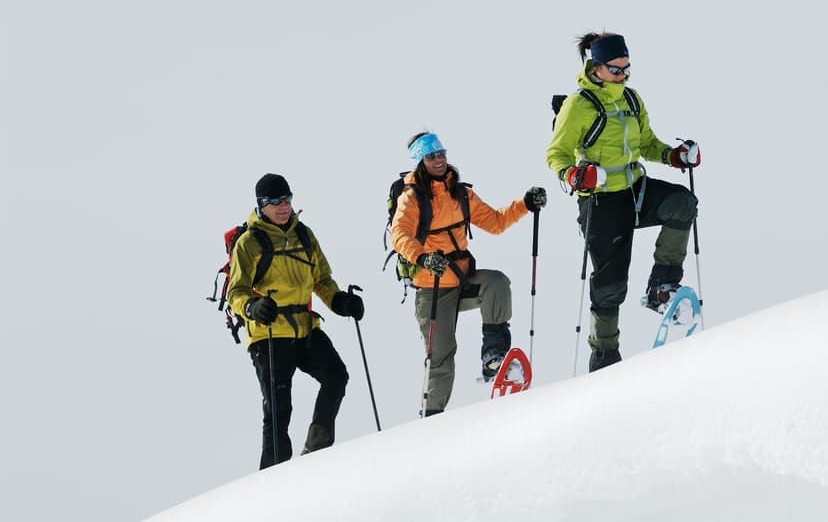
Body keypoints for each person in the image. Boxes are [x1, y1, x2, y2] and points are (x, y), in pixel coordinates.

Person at [545, 32, 701, 373]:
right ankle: (604, 355)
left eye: (627, 69)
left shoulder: (632, 99)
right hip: (601, 201)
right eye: (617, 70)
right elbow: (555, 154)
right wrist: (574, 176)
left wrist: (674, 156)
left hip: (635, 189)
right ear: (596, 67)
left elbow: (646, 143)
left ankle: (662, 287)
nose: (623, 76)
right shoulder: (579, 105)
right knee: (610, 284)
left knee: (682, 203)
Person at [391, 132, 547, 416]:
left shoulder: (460, 193)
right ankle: (432, 416)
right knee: (441, 356)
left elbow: (496, 222)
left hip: (462, 279)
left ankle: (494, 357)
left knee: (497, 283)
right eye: (431, 156)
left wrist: (525, 204)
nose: (439, 160)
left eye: (441, 154)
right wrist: (424, 258)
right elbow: (399, 234)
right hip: (432, 288)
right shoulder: (411, 198)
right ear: (420, 162)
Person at [227, 173, 364, 468]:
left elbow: (322, 279)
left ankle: (316, 449)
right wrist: (252, 307)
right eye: (275, 201)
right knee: (278, 410)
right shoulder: (249, 243)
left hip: (305, 328)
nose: (283, 206)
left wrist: (340, 301)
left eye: (286, 198)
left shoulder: (304, 234)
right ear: (261, 205)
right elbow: (235, 291)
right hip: (268, 334)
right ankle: (273, 479)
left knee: (336, 376)